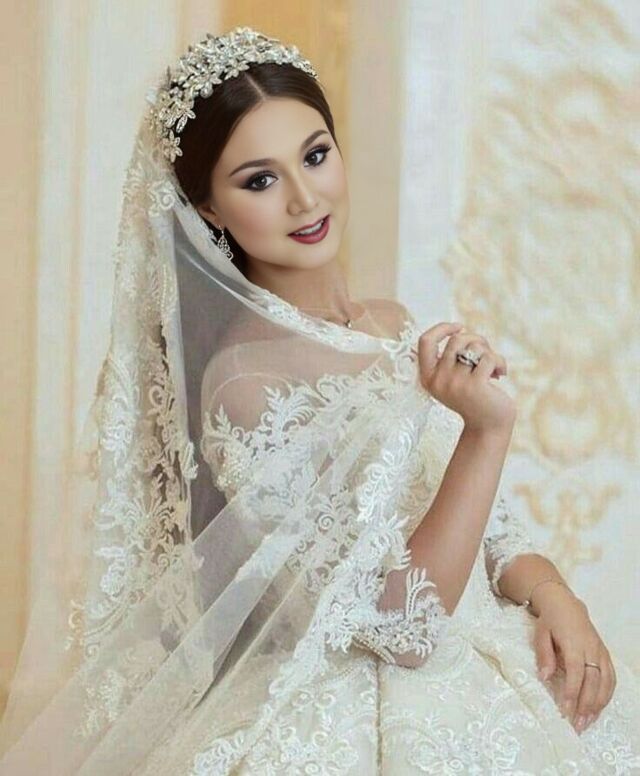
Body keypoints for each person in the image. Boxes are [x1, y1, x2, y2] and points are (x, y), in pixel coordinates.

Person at [1, 26, 638, 775]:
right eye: (259, 181)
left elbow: (487, 527)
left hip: (491, 655)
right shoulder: (244, 385)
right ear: (208, 209)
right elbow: (398, 629)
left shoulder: (392, 323)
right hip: (371, 710)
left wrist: (555, 595)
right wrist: (485, 433)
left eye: (314, 155)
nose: (305, 198)